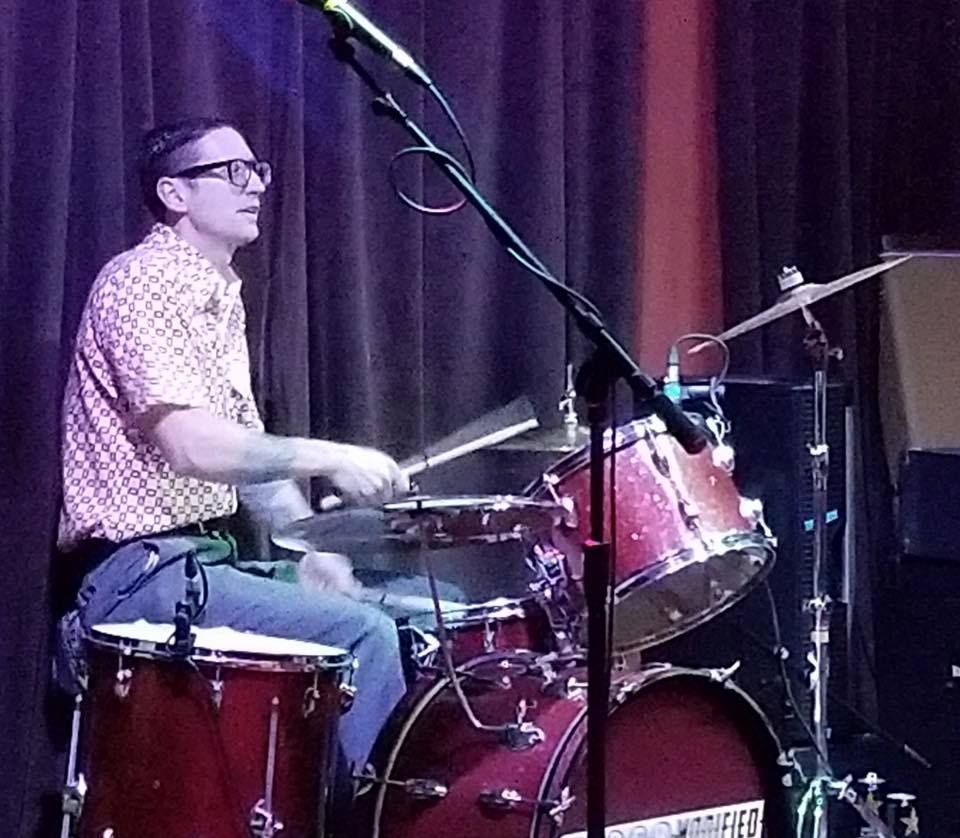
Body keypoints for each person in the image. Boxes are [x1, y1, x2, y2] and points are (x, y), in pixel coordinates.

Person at [55, 116, 409, 788]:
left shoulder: (218, 299)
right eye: (233, 172)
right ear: (174, 193)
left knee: (423, 611)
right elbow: (191, 446)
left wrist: (313, 551)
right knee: (364, 635)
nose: (255, 186)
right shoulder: (141, 283)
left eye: (257, 171)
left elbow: (250, 464)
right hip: (141, 574)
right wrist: (330, 455)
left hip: (201, 563)